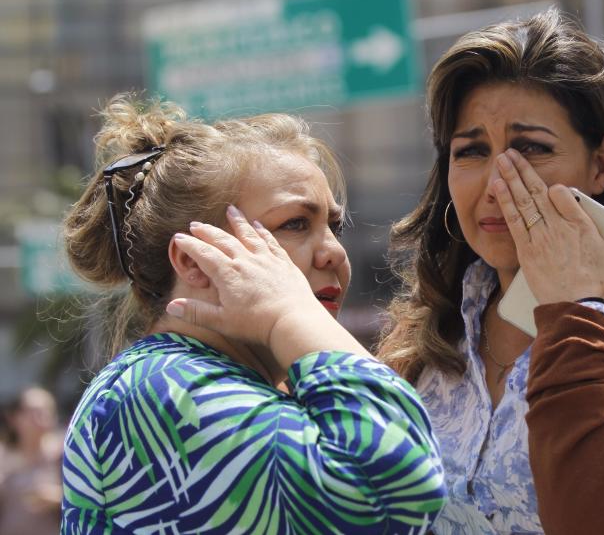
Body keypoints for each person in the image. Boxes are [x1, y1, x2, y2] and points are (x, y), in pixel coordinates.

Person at [376, 8, 604, 534]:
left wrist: (573, 308)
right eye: (472, 151)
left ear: (600, 164)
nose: (498, 182)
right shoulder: (431, 325)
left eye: (531, 148)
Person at [60, 94, 446, 533]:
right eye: (295, 224)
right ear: (193, 261)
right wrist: (288, 314)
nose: (334, 253)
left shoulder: (218, 379)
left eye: (334, 227)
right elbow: (398, 489)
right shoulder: (164, 387)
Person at [0, 386, 63, 534]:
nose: (41, 417)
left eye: (47, 411)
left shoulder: (62, 455)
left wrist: (56, 498)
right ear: (14, 417)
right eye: (34, 412)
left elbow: (86, 500)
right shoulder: (3, 455)